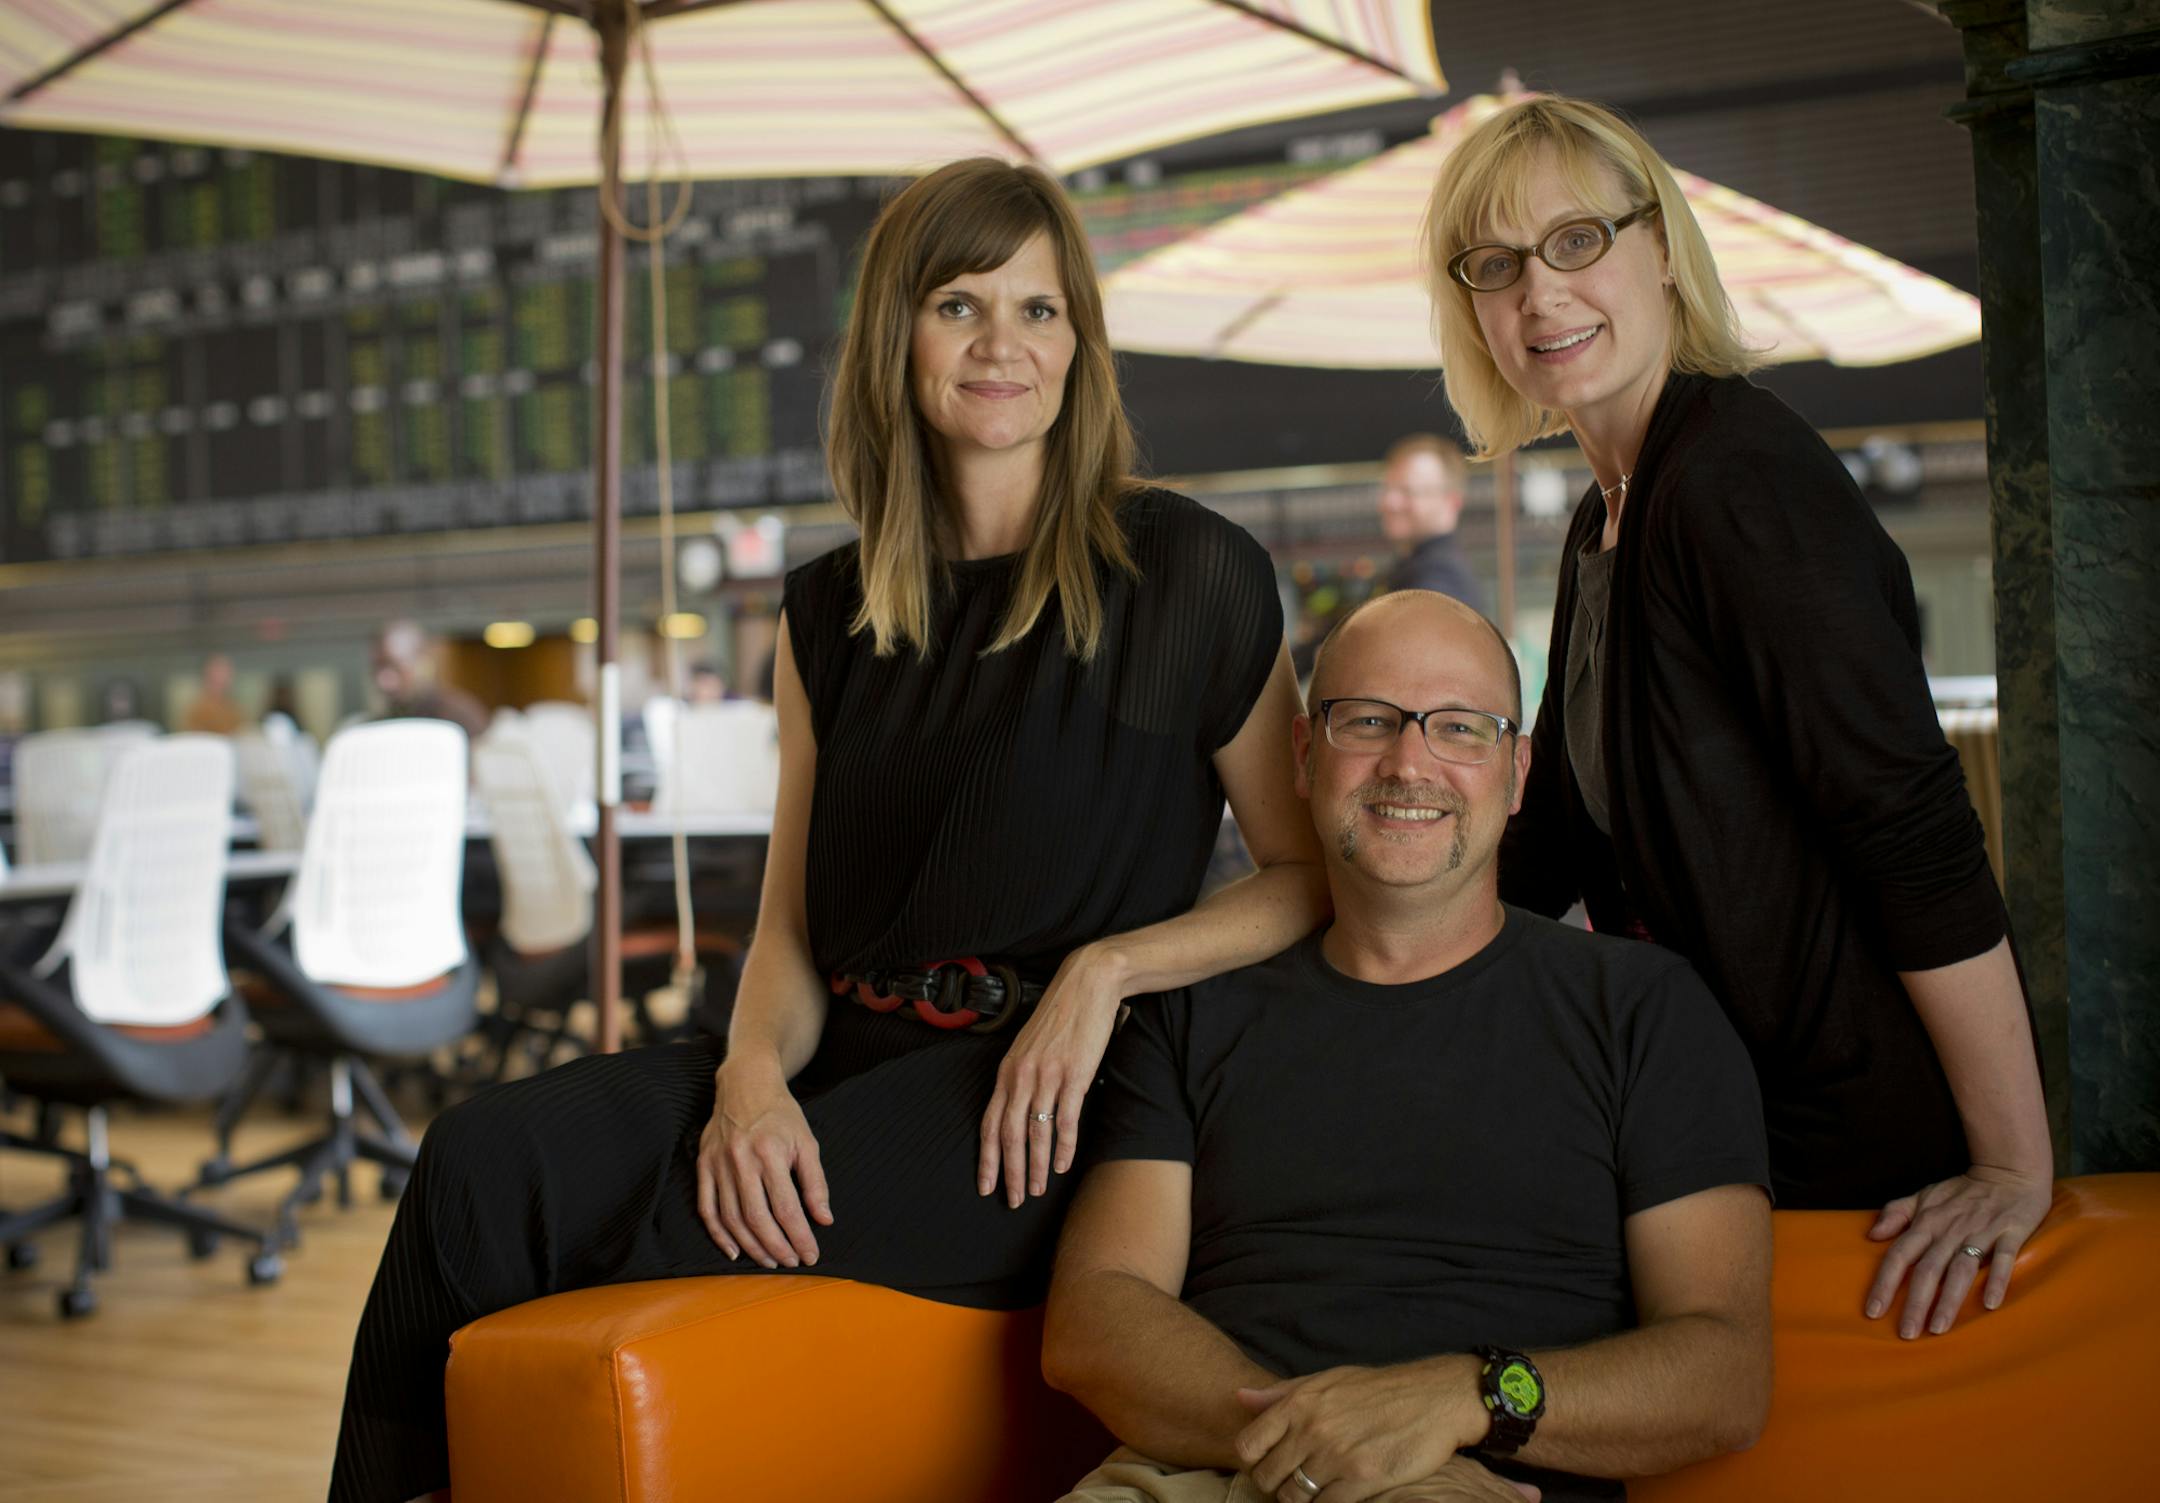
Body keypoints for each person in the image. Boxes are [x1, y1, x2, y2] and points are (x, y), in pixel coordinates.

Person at [328, 158, 1327, 1502]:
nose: (1003, 345)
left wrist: (1111, 970)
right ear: (894, 337)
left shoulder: (1183, 572)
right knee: (474, 1160)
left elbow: (1302, 874)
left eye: (1040, 309)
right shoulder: (828, 611)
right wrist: (749, 1078)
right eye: (961, 304)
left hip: (1025, 1095)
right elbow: (794, 916)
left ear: (1081, 342)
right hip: (835, 1045)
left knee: (677, 1226)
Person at [1421, 95, 2051, 1339]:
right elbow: (1549, 846)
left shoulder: (1735, 481)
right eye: (1495, 267)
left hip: (1849, 1134)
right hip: (1717, 1101)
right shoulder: (1606, 517)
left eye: (1577, 242)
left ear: (1660, 247)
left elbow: (1909, 821)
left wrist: (2016, 1163)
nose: (1540, 297)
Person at [1045, 591, 1772, 1503]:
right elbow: (1096, 1310)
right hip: (1197, 1469)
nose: (1409, 762)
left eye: (1461, 728)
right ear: (1306, 757)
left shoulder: (1645, 1009)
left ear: (1516, 774)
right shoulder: (1190, 1009)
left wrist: (1467, 1399)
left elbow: (1725, 1375)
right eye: (1370, 720)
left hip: (1469, 1479)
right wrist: (1318, 1441)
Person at [1378, 434, 1485, 614]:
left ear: (1451, 502)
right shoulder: (1418, 567)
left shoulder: (1439, 582)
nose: (1389, 502)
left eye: (1408, 491)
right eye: (1388, 488)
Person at [369, 618, 488, 741]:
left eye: (395, 666)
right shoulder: (381, 722)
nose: (383, 681)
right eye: (377, 668)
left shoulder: (459, 715)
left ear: (423, 661)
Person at [180, 652, 245, 735]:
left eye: (228, 671)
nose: (226, 675)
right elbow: (193, 738)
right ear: (208, 672)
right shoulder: (197, 707)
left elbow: (240, 728)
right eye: (220, 670)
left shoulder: (232, 704)